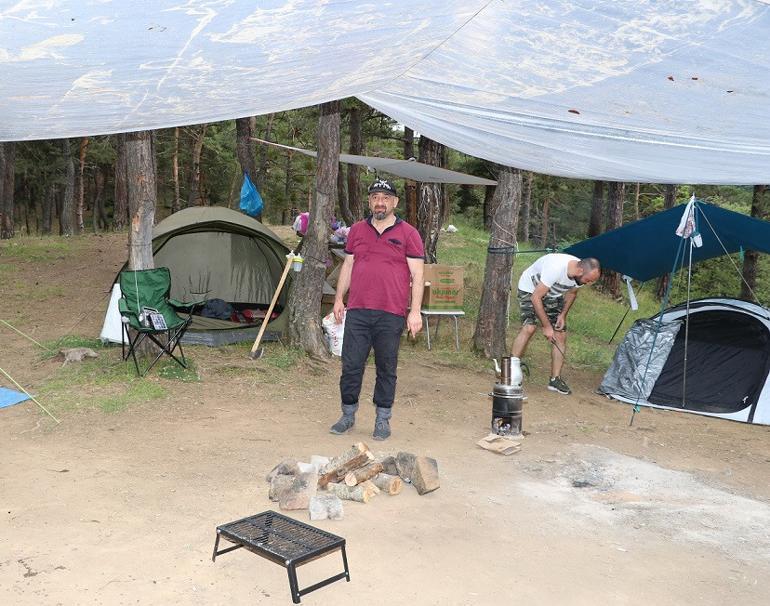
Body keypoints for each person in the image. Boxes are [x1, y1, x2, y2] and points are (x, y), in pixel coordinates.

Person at [330, 178, 424, 440]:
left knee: (386, 367)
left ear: (394, 202)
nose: (379, 202)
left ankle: (382, 419)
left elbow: (418, 275)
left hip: (391, 313)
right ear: (369, 202)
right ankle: (347, 415)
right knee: (351, 365)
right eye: (374, 198)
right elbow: (347, 266)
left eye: (385, 198)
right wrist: (339, 299)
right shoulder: (357, 231)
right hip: (358, 310)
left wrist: (414, 311)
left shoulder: (409, 234)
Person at [511, 254, 601, 395]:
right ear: (580, 271)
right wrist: (546, 326)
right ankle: (511, 372)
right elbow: (536, 298)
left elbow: (572, 293)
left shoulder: (579, 275)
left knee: (560, 334)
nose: (588, 283)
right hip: (530, 290)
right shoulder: (555, 268)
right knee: (529, 328)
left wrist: (562, 315)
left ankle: (555, 380)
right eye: (588, 280)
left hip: (553, 294)